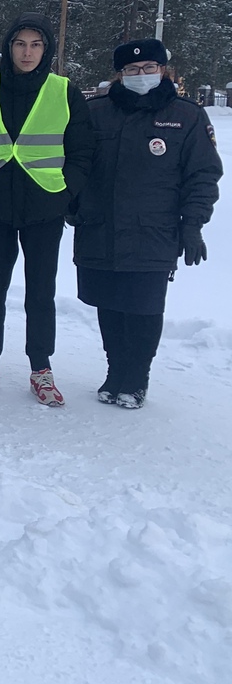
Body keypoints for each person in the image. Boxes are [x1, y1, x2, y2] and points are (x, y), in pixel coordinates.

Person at [71, 39, 221, 408]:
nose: (141, 76)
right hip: (100, 227)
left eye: (148, 68)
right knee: (108, 302)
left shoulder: (187, 115)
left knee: (143, 305)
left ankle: (136, 378)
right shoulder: (96, 111)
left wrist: (193, 224)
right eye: (132, 71)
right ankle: (114, 371)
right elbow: (76, 163)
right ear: (119, 75)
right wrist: (71, 205)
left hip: (154, 230)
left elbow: (202, 174)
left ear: (162, 70)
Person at [0, 13, 95, 406]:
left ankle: (41, 368)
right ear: (8, 47)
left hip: (45, 207)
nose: (28, 52)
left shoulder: (65, 91)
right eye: (21, 44)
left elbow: (83, 150)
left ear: (47, 49)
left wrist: (67, 191)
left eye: (36, 44)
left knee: (41, 292)